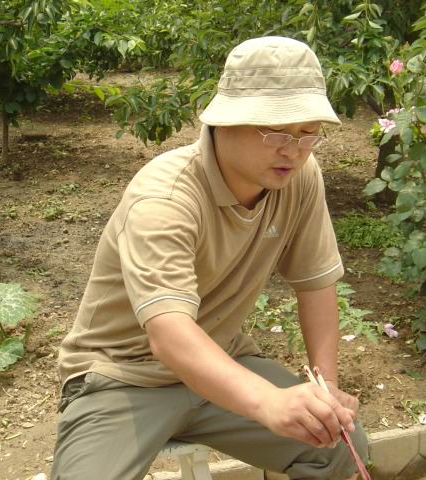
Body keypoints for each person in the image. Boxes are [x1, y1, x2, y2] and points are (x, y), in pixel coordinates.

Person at [51, 36, 369, 480]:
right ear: (224, 121)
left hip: (222, 360)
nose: (293, 150)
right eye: (276, 131)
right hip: (124, 375)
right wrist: (268, 402)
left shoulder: (299, 177)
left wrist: (326, 388)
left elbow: (315, 283)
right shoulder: (164, 198)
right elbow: (169, 334)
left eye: (307, 132)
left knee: (338, 446)